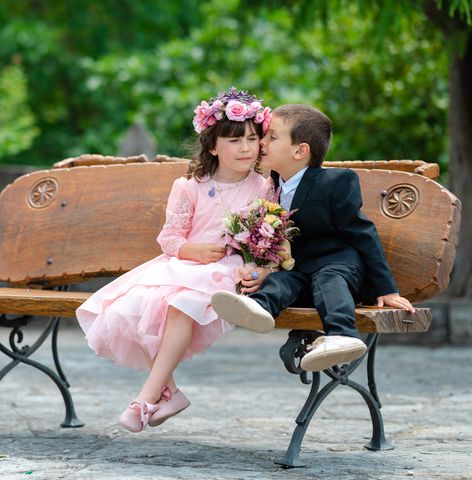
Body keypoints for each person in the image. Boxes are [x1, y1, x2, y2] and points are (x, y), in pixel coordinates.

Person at [76, 87, 276, 432]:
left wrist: (256, 265)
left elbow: (268, 239)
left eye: (252, 138)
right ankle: (171, 393)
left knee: (181, 304)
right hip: (184, 264)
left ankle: (146, 398)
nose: (245, 147)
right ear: (213, 146)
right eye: (234, 140)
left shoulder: (264, 188)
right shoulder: (190, 187)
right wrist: (192, 250)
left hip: (226, 270)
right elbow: (169, 238)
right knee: (137, 305)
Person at [212, 104, 415, 372]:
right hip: (300, 270)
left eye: (271, 137)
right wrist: (263, 269)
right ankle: (257, 308)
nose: (261, 141)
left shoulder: (336, 182)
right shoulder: (270, 186)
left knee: (329, 281)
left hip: (340, 266)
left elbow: (363, 233)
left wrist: (386, 288)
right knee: (279, 282)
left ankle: (342, 335)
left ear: (300, 151)